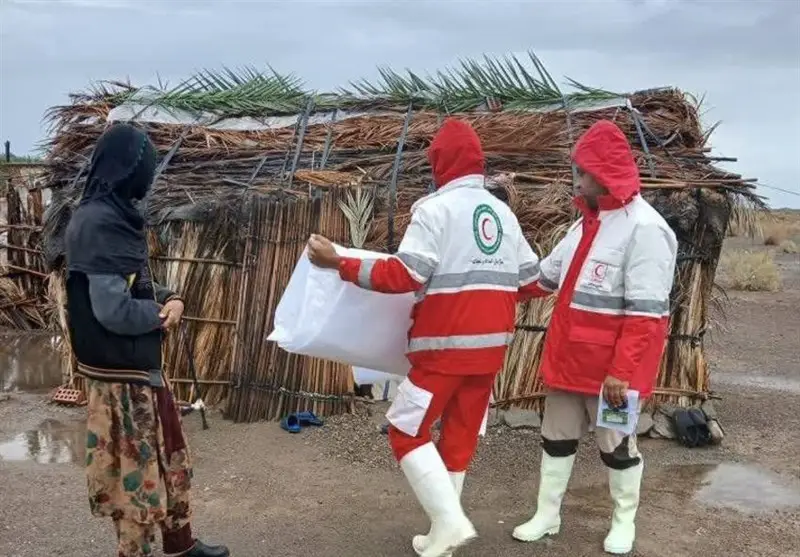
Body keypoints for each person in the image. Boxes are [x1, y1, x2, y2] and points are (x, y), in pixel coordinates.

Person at [307, 118, 542, 557]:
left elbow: (404, 274)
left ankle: (450, 523)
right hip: (491, 350)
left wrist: (339, 262)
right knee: (458, 438)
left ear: (439, 164)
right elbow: (531, 281)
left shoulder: (434, 210)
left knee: (404, 430)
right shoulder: (503, 214)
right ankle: (441, 539)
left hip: (442, 350)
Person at [511, 120, 678, 554]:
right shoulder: (584, 223)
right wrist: (496, 290)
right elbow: (546, 278)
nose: (577, 179)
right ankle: (547, 516)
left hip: (610, 371)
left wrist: (622, 372)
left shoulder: (646, 229)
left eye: (583, 171)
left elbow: (646, 314)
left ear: (602, 174)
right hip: (569, 361)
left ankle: (624, 521)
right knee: (556, 438)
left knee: (617, 447)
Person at [64, 123, 229, 557]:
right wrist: (161, 316)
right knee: (134, 477)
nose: (148, 178)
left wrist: (167, 297)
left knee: (170, 454)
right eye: (145, 168)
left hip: (138, 369)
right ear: (128, 170)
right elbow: (113, 311)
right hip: (121, 380)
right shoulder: (98, 223)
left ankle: (180, 545)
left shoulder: (113, 216)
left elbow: (135, 282)